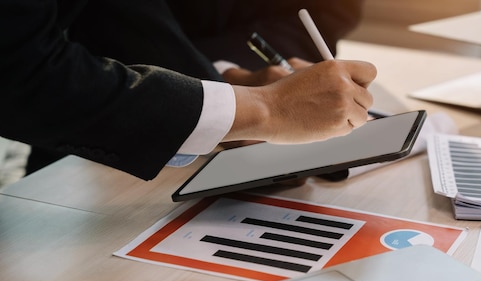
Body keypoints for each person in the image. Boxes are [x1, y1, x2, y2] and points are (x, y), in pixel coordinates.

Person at [0, 0, 376, 180]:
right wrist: (259, 109)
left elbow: (124, 17)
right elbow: (17, 67)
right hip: (76, 134)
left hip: (133, 112)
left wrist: (228, 89)